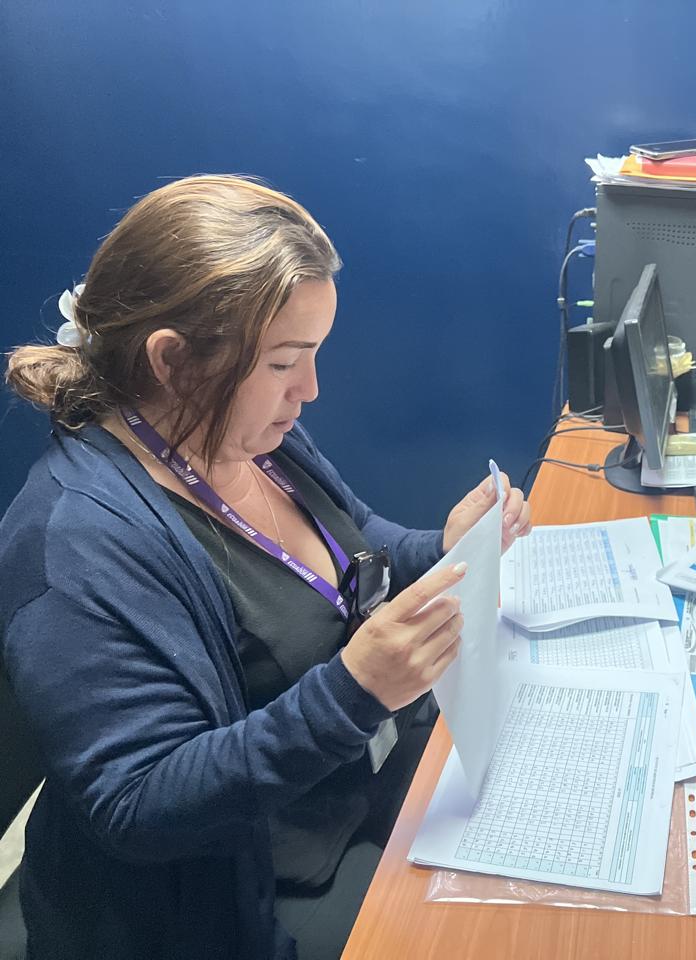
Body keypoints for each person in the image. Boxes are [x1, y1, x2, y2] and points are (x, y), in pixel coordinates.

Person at [0, 174, 532, 960]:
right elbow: (139, 804)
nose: (309, 390)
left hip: (338, 799)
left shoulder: (244, 436)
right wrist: (354, 692)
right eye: (286, 362)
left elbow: (351, 547)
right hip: (220, 898)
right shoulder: (77, 542)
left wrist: (445, 549)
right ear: (174, 361)